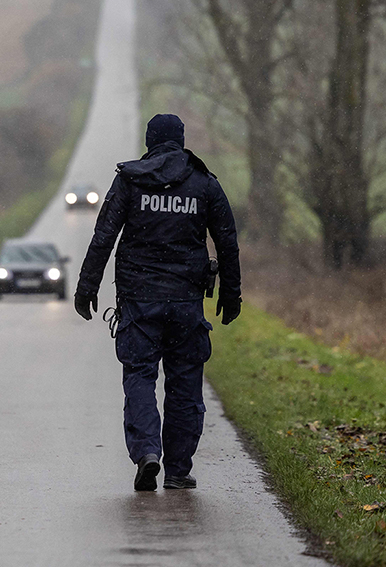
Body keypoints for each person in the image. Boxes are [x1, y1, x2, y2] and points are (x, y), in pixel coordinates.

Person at [74, 113, 241, 492]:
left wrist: (87, 289)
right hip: (186, 304)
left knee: (140, 377)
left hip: (139, 302)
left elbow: (103, 238)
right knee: (184, 384)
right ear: (181, 141)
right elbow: (227, 242)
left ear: (149, 142)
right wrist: (231, 296)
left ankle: (148, 451)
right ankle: (179, 470)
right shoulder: (204, 184)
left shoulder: (130, 181)